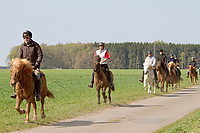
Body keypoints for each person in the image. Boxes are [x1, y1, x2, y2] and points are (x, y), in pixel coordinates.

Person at [10, 30, 43, 101]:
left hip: (34, 66)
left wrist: (36, 64)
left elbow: (40, 55)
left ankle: (38, 94)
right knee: (17, 75)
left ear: (30, 37)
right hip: (24, 68)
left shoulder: (35, 45)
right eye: (24, 38)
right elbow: (19, 57)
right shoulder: (22, 46)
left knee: (37, 76)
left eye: (27, 38)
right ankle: (15, 92)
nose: (26, 39)